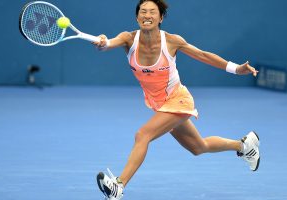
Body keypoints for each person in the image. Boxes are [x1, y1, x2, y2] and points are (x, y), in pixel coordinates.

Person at [94, 0, 260, 199]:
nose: (147, 15)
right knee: (199, 147)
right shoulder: (128, 39)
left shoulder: (172, 41)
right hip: (160, 105)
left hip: (178, 100)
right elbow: (109, 44)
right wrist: (104, 42)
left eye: (152, 12)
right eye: (143, 12)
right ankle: (244, 145)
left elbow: (203, 55)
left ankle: (118, 186)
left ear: (160, 18)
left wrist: (236, 69)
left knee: (142, 135)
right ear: (137, 17)